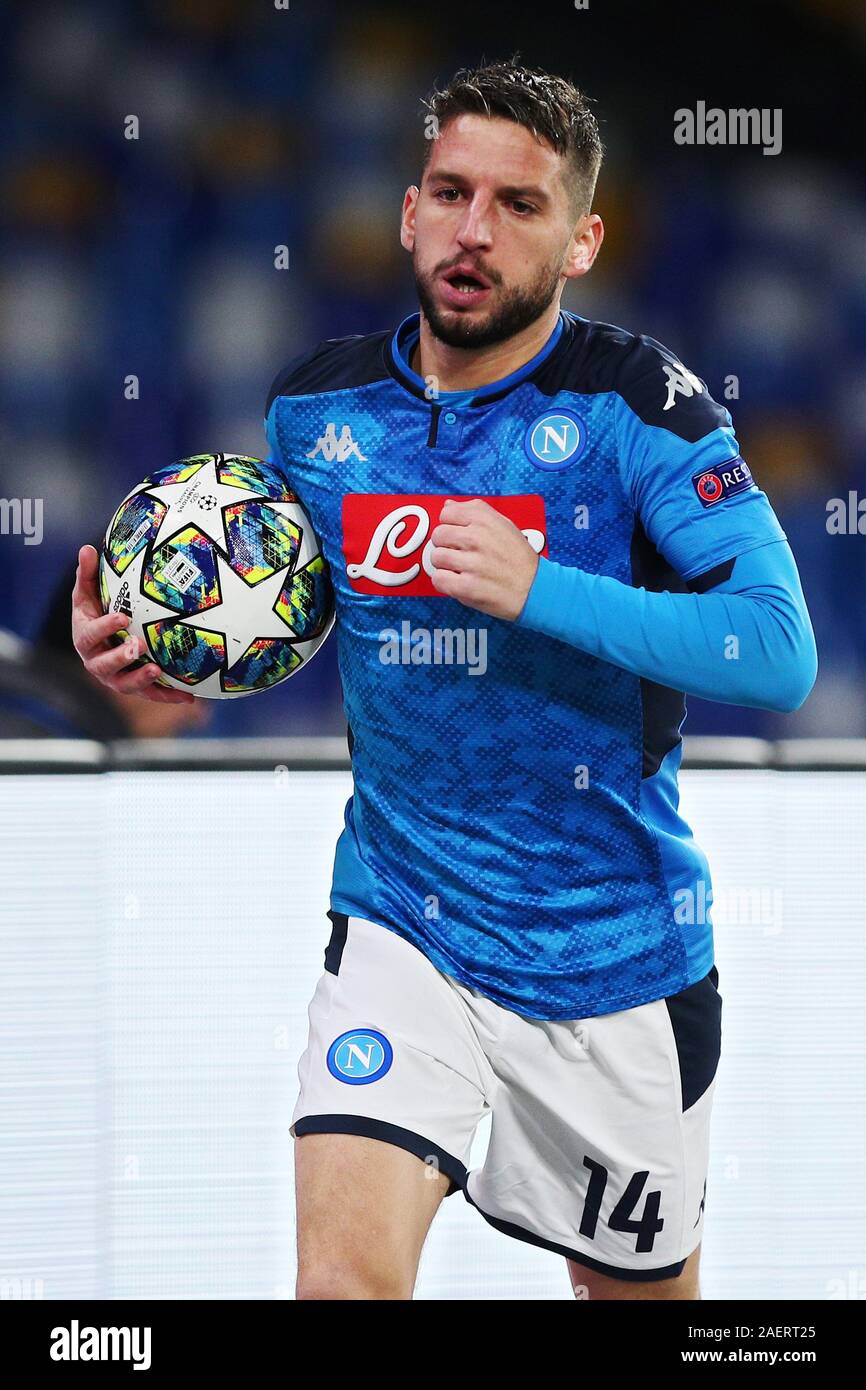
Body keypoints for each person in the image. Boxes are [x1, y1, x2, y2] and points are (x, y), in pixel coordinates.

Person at [71, 58, 817, 1300]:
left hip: (612, 956)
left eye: (518, 205)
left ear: (581, 240)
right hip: (403, 919)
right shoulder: (317, 412)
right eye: (449, 192)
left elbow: (777, 649)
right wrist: (160, 669)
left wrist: (540, 592)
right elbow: (289, 624)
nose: (474, 230)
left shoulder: (637, 402)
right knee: (339, 1288)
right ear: (409, 211)